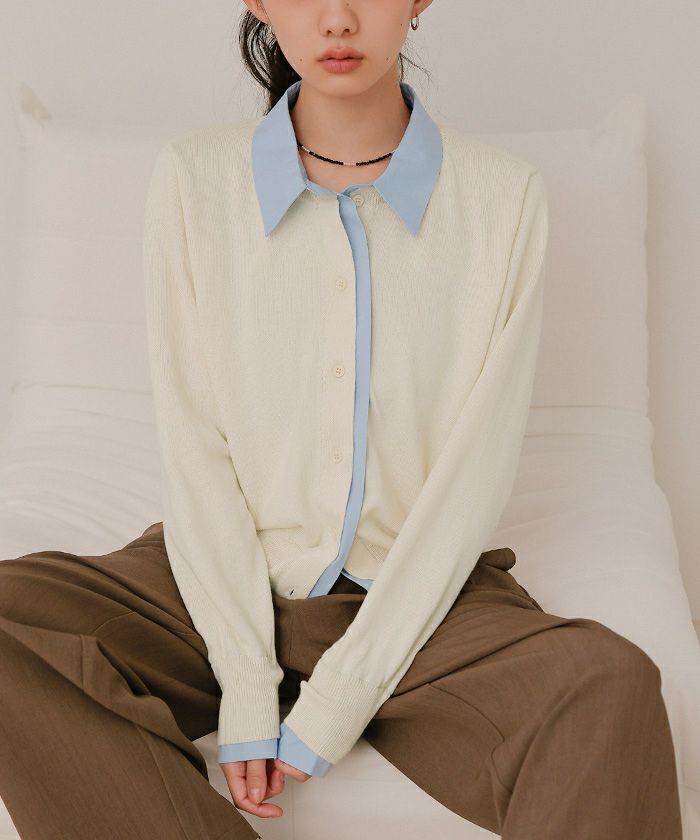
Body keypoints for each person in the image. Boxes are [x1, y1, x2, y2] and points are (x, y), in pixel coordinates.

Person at [0, 1, 683, 838]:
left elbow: (471, 478)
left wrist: (341, 697)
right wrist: (246, 680)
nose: (336, 18)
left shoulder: (503, 200)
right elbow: (196, 442)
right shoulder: (194, 180)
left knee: (607, 685)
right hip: (213, 581)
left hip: (422, 600)